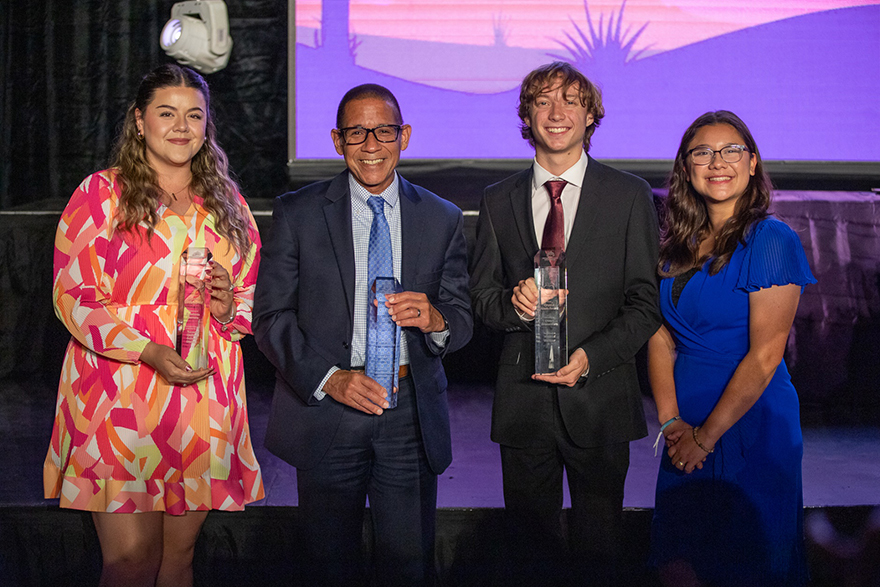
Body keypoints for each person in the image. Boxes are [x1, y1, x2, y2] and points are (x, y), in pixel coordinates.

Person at [43, 64, 264, 587]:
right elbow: (72, 298)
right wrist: (146, 350)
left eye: (194, 115)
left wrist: (228, 304)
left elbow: (250, 301)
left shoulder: (229, 204)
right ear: (139, 121)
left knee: (177, 563)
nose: (182, 126)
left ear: (207, 125)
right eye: (167, 113)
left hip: (203, 398)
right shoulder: (101, 194)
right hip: (118, 396)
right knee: (130, 563)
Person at [252, 83, 472, 586]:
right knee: (327, 565)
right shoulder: (298, 212)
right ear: (336, 140)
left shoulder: (441, 217)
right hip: (328, 412)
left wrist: (436, 319)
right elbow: (270, 317)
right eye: (356, 132)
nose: (371, 143)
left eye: (384, 130)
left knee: (406, 566)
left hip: (408, 417)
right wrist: (329, 379)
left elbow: (460, 318)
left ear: (405, 136)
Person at [469, 61, 661, 586]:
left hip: (600, 401)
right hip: (524, 405)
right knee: (530, 558)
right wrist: (514, 305)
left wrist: (590, 358)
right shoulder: (496, 199)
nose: (557, 113)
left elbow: (645, 303)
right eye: (543, 101)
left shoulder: (628, 196)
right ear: (526, 116)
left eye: (571, 101)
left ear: (591, 114)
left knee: (600, 555)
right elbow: (481, 299)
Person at [647, 110, 816, 587]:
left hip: (750, 423)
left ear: (752, 162)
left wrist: (707, 436)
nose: (717, 162)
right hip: (684, 429)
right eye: (702, 152)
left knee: (749, 567)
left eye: (731, 151)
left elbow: (765, 357)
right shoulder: (675, 245)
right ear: (686, 167)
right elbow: (659, 337)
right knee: (679, 565)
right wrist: (671, 423)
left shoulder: (770, 239)